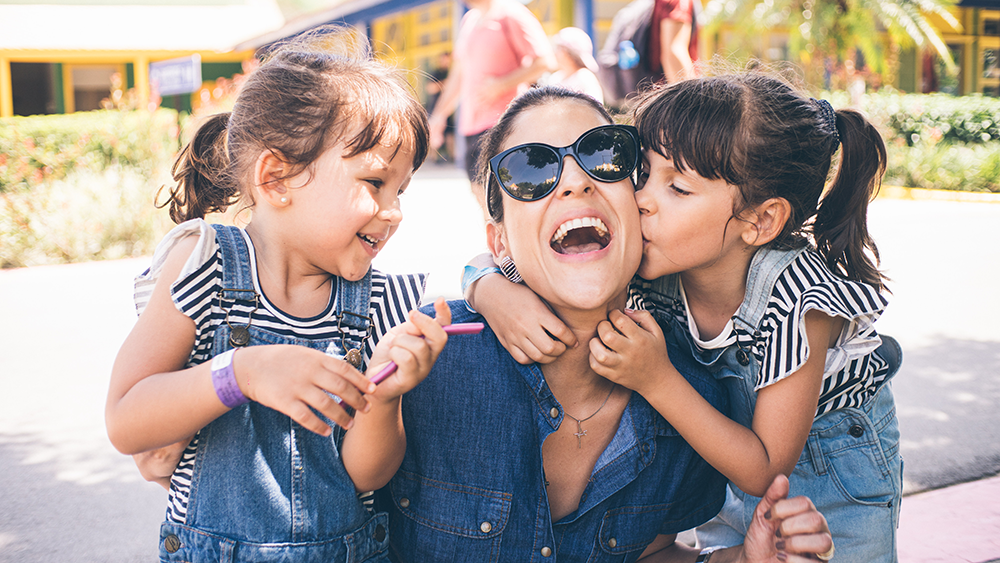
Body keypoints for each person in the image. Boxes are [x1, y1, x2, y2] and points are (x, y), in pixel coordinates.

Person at [383, 85, 835, 562]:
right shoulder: (422, 364)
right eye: (530, 170)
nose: (575, 184)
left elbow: (651, 554)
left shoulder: (693, 400)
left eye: (604, 155)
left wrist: (744, 561)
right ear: (500, 244)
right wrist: (486, 286)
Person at [466, 73, 901, 562]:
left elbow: (765, 469)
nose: (643, 200)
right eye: (643, 173)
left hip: (828, 477)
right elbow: (506, 258)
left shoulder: (797, 300)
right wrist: (490, 291)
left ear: (759, 221)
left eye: (678, 188)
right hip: (719, 449)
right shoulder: (663, 259)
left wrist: (656, 379)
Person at [105, 29, 452, 563]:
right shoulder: (208, 265)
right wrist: (240, 373)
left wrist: (385, 399)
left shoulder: (380, 303)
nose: (394, 212)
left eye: (401, 191)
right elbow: (127, 420)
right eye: (376, 183)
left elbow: (366, 474)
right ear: (276, 179)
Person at [426, 0, 555, 215]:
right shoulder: (469, 21)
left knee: (511, 200)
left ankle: (517, 247)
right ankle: (500, 248)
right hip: (471, 127)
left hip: (503, 125)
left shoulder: (510, 13)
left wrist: (502, 84)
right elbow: (458, 76)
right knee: (482, 197)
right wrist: (438, 116)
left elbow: (544, 61)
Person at [548, 26, 605, 104]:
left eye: (559, 49)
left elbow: (594, 107)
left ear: (570, 54)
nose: (555, 53)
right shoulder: (555, 78)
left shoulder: (584, 77)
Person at [649, 0, 700, 83]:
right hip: (665, 90)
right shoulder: (677, 3)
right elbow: (674, 52)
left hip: (640, 90)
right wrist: (692, 94)